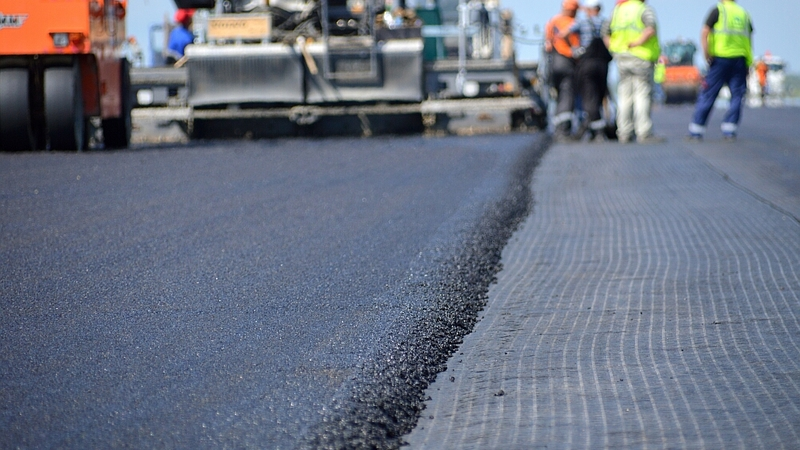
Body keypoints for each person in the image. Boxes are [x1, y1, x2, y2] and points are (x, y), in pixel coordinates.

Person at [687, 0, 753, 141]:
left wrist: (706, 54)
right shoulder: (743, 13)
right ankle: (730, 130)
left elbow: (705, 32)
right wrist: (748, 63)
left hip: (720, 59)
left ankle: (696, 130)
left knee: (708, 93)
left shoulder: (718, 10)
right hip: (740, 59)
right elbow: (749, 39)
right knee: (737, 95)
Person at [604, 0, 665, 143]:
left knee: (624, 95)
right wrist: (637, 43)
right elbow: (650, 28)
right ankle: (644, 132)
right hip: (640, 57)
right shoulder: (643, 9)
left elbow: (605, 32)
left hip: (622, 58)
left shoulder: (617, 10)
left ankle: (624, 132)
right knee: (642, 94)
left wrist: (614, 48)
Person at [561, 0, 613, 142]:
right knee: (600, 95)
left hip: (587, 63)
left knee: (589, 96)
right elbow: (610, 41)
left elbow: (564, 34)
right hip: (603, 64)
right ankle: (594, 128)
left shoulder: (582, 22)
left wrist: (574, 50)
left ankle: (597, 130)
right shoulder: (606, 22)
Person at [544, 0, 581, 141]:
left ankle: (557, 128)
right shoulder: (573, 23)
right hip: (566, 62)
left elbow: (547, 43)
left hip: (553, 62)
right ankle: (563, 130)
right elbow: (576, 47)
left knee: (558, 95)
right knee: (567, 95)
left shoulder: (553, 21)